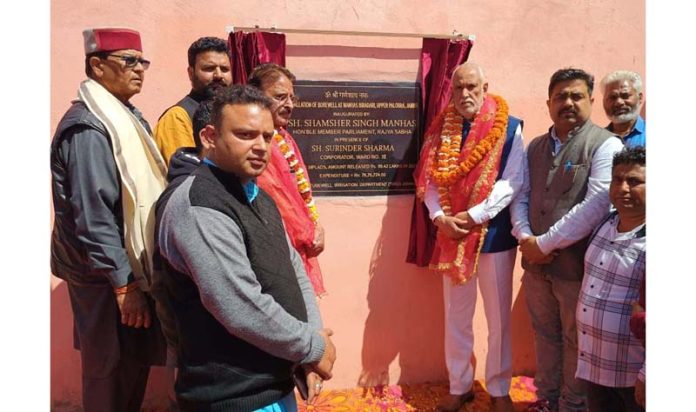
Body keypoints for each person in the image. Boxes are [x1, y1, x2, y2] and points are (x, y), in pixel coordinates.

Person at [157, 85, 336, 411]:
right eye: (245, 134)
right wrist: (312, 346)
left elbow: (293, 268)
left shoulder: (259, 196)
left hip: (275, 383)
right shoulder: (199, 204)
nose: (260, 147)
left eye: (267, 137)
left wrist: (309, 350)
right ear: (210, 136)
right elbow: (238, 304)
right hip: (231, 396)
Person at [50, 27, 167, 412]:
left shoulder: (125, 116)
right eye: (128, 61)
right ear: (97, 67)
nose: (139, 70)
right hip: (104, 275)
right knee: (109, 368)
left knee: (131, 363)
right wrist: (123, 285)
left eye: (142, 61)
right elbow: (93, 215)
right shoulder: (89, 127)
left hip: (125, 269)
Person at [413, 62, 525, 412]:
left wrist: (474, 215)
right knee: (456, 317)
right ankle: (460, 386)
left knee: (498, 320)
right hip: (452, 236)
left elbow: (512, 181)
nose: (465, 95)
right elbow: (430, 181)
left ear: (485, 87)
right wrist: (439, 216)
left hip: (493, 238)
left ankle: (499, 388)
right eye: (459, 88)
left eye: (472, 87)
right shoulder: (440, 130)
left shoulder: (508, 128)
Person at [510, 68, 624, 412]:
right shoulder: (536, 147)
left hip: (579, 267)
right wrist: (524, 235)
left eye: (576, 96)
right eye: (560, 96)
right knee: (544, 332)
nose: (568, 103)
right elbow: (522, 195)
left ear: (591, 101)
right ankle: (547, 399)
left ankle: (573, 404)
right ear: (548, 103)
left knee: (577, 339)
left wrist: (544, 244)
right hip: (536, 266)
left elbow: (598, 202)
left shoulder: (606, 145)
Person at [575, 146, 646, 412]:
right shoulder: (605, 224)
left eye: (635, 181)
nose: (623, 188)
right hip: (597, 369)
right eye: (617, 180)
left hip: (633, 377)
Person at [248, 63, 327, 296]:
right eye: (280, 97)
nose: (290, 105)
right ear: (257, 98)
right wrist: (308, 234)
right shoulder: (255, 143)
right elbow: (274, 196)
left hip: (298, 246)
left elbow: (302, 195)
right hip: (273, 251)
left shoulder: (284, 138)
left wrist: (316, 226)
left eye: (292, 97)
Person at [153, 36, 231, 164]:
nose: (218, 75)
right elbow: (186, 172)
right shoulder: (177, 117)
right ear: (191, 73)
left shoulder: (228, 112)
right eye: (209, 68)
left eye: (224, 69)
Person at [601, 70, 645, 148]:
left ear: (640, 98)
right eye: (612, 97)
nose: (619, 102)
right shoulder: (598, 139)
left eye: (625, 96)